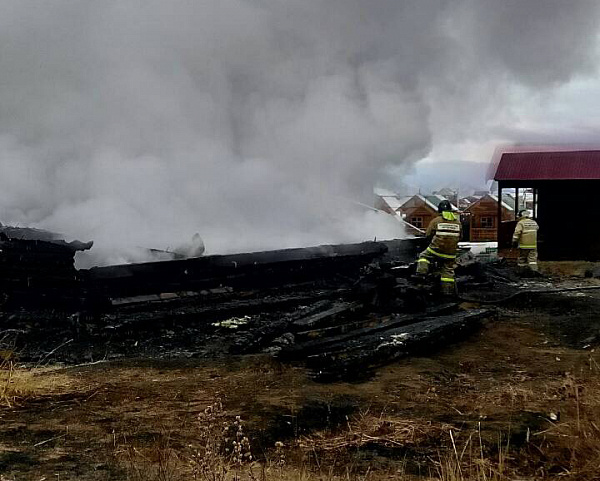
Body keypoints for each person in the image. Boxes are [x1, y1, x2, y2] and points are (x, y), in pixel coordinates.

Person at [415, 200, 462, 296]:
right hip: (451, 254)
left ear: (439, 210)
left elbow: (428, 235)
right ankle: (447, 292)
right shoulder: (458, 223)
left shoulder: (436, 221)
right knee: (448, 270)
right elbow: (460, 237)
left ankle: (421, 274)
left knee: (423, 256)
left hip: (435, 250)